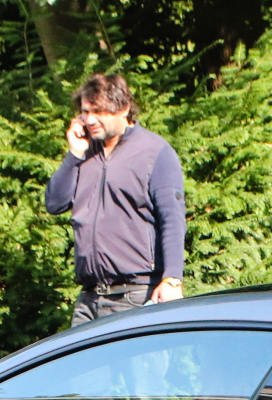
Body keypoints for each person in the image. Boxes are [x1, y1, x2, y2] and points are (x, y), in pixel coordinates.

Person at [43, 73, 186, 325]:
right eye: (85, 111)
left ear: (124, 108)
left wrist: (172, 279)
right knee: (80, 365)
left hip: (136, 295)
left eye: (98, 111)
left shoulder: (155, 152)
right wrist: (74, 155)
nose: (89, 120)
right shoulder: (84, 151)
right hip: (88, 299)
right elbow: (54, 203)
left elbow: (172, 220)